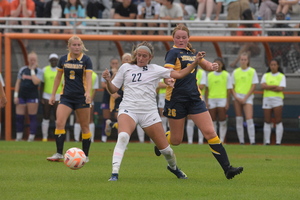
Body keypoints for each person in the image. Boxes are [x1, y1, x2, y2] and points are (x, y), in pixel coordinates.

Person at [102, 41, 205, 181]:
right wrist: (108, 80)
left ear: (150, 57)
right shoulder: (126, 67)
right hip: (129, 109)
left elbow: (179, 74)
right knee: (123, 137)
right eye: (138, 55)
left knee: (166, 150)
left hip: (149, 112)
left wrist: (195, 63)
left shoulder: (155, 69)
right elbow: (113, 89)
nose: (141, 58)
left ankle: (174, 168)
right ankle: (114, 173)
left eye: (144, 56)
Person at [156, 24, 243, 180]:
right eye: (178, 37)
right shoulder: (173, 52)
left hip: (195, 99)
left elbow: (206, 65)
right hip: (176, 100)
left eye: (184, 37)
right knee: (176, 140)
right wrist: (168, 79)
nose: (181, 40)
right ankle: (161, 140)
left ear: (188, 38)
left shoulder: (193, 53)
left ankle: (228, 169)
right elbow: (168, 72)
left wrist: (212, 65)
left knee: (210, 132)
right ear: (173, 38)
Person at [46, 35, 93, 162]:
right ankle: (59, 153)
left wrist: (88, 93)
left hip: (81, 97)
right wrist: (52, 95)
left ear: (82, 46)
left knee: (85, 126)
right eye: (74, 45)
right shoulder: (63, 60)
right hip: (66, 96)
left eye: (79, 45)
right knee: (60, 122)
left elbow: (88, 78)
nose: (77, 47)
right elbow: (57, 78)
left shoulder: (86, 60)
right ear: (69, 46)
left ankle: (86, 156)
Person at [14, 52, 43, 142]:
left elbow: (36, 82)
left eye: (34, 60)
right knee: (19, 117)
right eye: (31, 59)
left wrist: (32, 70)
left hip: (32, 96)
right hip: (22, 95)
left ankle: (31, 137)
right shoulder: (23, 69)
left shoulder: (39, 71)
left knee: (32, 116)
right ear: (28, 60)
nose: (32, 61)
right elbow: (18, 82)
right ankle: (18, 137)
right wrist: (16, 95)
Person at [231, 52, 258, 145]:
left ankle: (252, 140)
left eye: (245, 60)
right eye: (241, 59)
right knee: (239, 118)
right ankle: (241, 141)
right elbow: (232, 87)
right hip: (237, 96)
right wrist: (236, 97)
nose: (243, 61)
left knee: (249, 118)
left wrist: (246, 97)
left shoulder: (252, 71)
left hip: (248, 96)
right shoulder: (235, 72)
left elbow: (253, 86)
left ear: (248, 61)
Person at [205, 57, 232, 143]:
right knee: (212, 120)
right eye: (215, 64)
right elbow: (207, 89)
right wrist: (207, 101)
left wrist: (227, 102)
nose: (217, 66)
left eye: (219, 64)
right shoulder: (210, 75)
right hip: (212, 98)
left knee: (222, 119)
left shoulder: (226, 75)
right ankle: (214, 139)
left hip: (222, 99)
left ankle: (222, 139)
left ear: (222, 65)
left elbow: (228, 90)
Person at [261, 59, 286, 145]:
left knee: (278, 120)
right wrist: (274, 86)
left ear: (278, 66)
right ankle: (267, 141)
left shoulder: (281, 76)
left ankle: (278, 142)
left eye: (275, 65)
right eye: (271, 65)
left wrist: (268, 86)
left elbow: (281, 88)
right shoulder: (266, 75)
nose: (273, 66)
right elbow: (263, 86)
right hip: (267, 98)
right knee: (267, 120)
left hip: (277, 99)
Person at [40, 53, 63, 142]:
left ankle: (58, 136)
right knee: (46, 116)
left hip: (58, 96)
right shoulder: (45, 70)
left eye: (55, 60)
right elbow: (42, 84)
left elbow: (63, 84)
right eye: (52, 60)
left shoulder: (61, 70)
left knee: (58, 117)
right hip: (46, 95)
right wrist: (41, 97)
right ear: (49, 61)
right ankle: (45, 137)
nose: (53, 61)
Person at [74, 71, 99, 142]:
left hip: (88, 100)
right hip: (78, 99)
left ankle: (91, 139)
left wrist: (90, 100)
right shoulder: (78, 73)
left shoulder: (94, 75)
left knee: (90, 119)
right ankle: (76, 139)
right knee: (78, 119)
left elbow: (94, 89)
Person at [186, 68, 206, 145]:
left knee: (200, 120)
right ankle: (190, 141)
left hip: (199, 98)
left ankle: (200, 141)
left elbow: (202, 86)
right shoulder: (186, 70)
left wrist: (190, 85)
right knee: (190, 119)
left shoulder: (201, 72)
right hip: (188, 97)